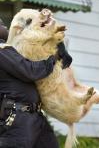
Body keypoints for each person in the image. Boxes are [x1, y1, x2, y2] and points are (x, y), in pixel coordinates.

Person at [0, 20, 72, 148]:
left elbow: (30, 59)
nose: (5, 26)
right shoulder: (1, 51)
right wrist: (53, 58)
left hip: (34, 116)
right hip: (17, 118)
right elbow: (30, 71)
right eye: (1, 24)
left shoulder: (7, 51)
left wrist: (53, 41)